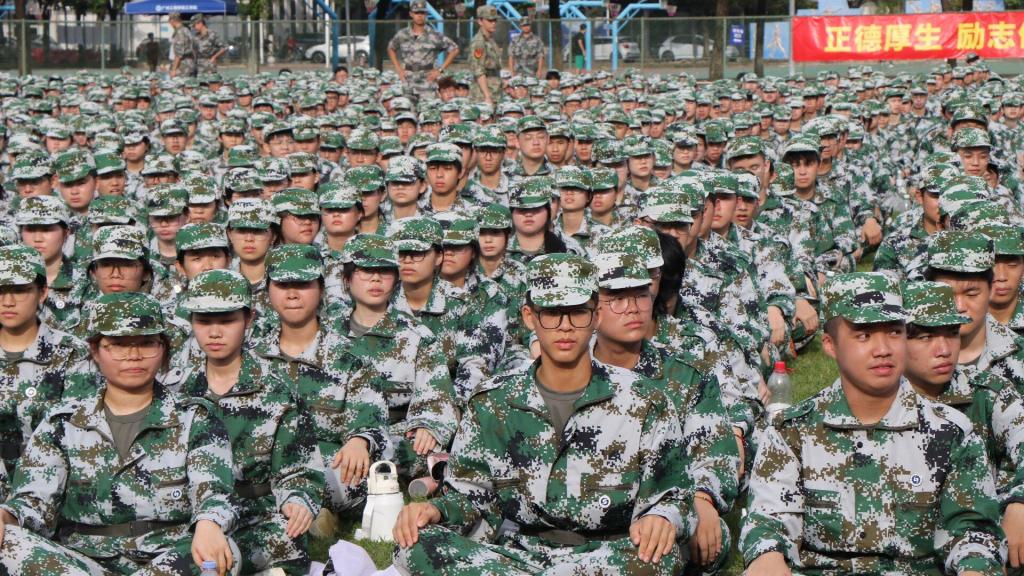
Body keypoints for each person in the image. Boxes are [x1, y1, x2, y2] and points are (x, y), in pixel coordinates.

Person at [393, 253, 695, 575]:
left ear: (596, 316)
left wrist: (662, 518)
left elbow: (675, 496)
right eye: (551, 313)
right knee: (415, 543)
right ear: (529, 317)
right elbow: (470, 497)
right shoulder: (492, 402)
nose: (565, 327)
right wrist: (435, 511)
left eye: (577, 312)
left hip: (607, 558)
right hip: (518, 556)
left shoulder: (645, 401)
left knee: (662, 554)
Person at [740, 272, 1004, 575]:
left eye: (894, 332)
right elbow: (769, 521)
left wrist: (974, 566)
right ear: (830, 345)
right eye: (864, 335)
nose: (883, 349)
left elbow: (973, 531)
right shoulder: (791, 431)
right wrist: (768, 555)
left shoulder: (951, 432)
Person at [0, 292, 240, 576]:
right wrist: (6, 515)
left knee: (221, 551)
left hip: (167, 556)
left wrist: (209, 523)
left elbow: (213, 491)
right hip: (82, 562)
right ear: (95, 350)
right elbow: (34, 501)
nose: (133, 355)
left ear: (163, 348)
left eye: (147, 343)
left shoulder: (195, 418)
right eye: (118, 344)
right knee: (9, 540)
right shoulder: (62, 423)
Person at [179, 270, 323, 575]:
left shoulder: (277, 390)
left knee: (287, 538)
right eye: (203, 321)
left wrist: (297, 500)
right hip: (193, 518)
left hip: (257, 516)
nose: (214, 333)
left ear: (248, 319)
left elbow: (299, 469)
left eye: (227, 321)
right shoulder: (177, 390)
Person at [387, 0, 460, 102]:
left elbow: (454, 49)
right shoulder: (403, 34)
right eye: (417, 12)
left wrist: (440, 70)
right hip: (407, 80)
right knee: (407, 109)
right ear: (411, 14)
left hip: (427, 80)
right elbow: (391, 48)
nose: (420, 16)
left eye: (422, 12)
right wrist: (398, 69)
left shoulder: (434, 35)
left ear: (426, 14)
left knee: (428, 109)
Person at [468, 5, 503, 105]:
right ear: (480, 21)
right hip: (483, 95)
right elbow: (478, 71)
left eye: (495, 20)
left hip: (495, 91)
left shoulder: (490, 40)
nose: (493, 23)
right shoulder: (479, 42)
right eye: (489, 20)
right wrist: (487, 96)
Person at [169, 12, 197, 79]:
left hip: (182, 67)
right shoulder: (186, 30)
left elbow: (179, 54)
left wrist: (174, 69)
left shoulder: (179, 32)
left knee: (180, 84)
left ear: (172, 21)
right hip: (190, 64)